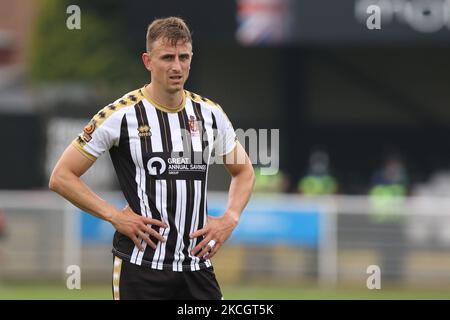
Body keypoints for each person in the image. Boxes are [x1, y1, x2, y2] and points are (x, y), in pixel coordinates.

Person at [49, 17, 255, 300]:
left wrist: (230, 218)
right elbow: (61, 176)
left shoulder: (210, 114)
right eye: (167, 57)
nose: (177, 66)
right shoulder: (120, 116)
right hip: (140, 267)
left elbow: (244, 171)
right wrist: (113, 215)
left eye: (184, 57)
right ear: (148, 61)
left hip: (196, 267)